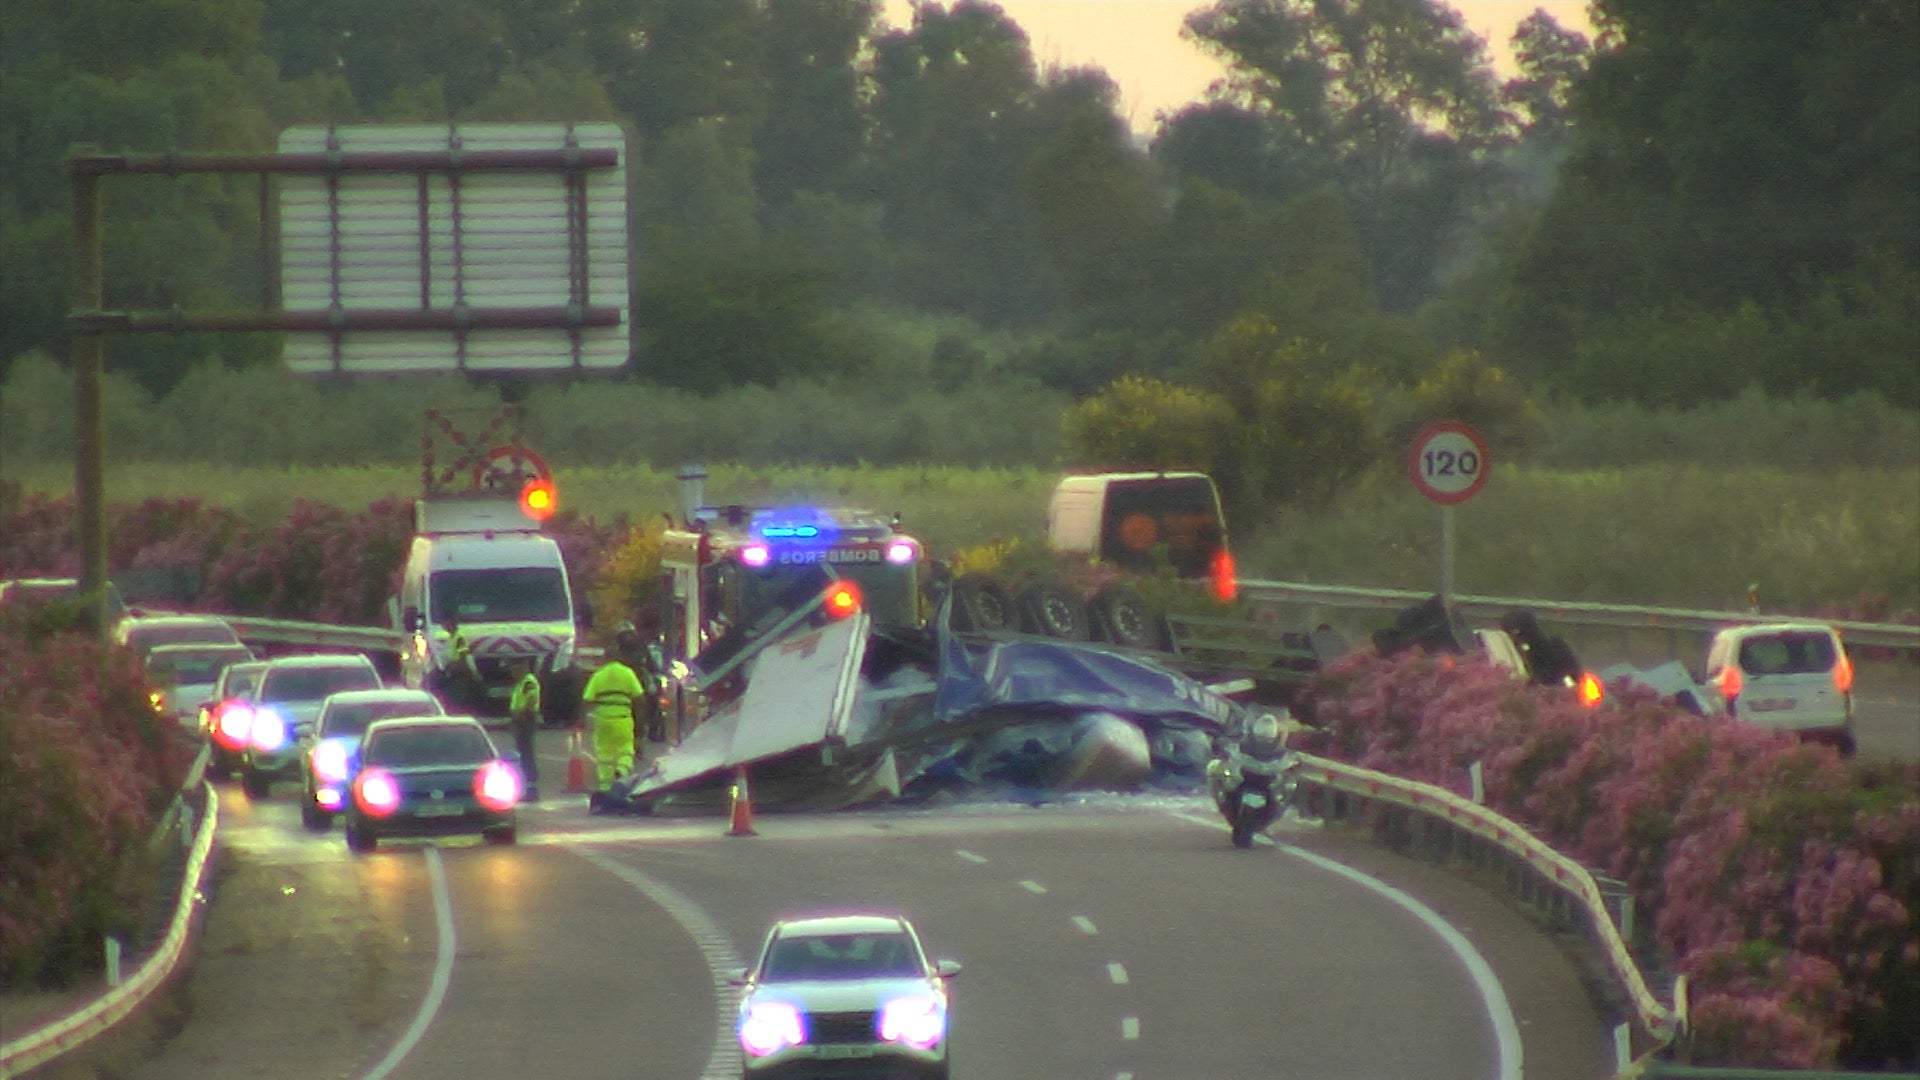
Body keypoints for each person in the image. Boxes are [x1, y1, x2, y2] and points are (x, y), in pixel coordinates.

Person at [580, 621, 645, 813]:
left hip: (603, 720)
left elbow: (587, 699)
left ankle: (606, 792)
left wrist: (582, 720)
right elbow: (640, 698)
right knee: (625, 751)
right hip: (623, 718)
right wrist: (641, 726)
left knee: (604, 757)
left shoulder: (599, 676)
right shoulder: (627, 673)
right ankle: (622, 773)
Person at [507, 658, 542, 802]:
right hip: (521, 719)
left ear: (523, 667)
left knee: (527, 756)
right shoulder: (522, 682)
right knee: (524, 755)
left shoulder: (528, 681)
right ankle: (528, 789)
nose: (512, 673)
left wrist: (520, 717)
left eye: (514, 669)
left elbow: (531, 700)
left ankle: (532, 790)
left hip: (525, 720)